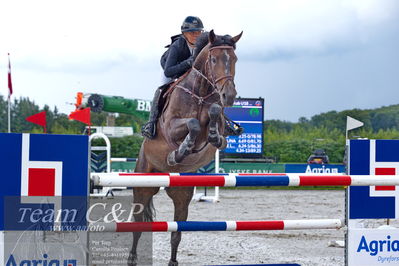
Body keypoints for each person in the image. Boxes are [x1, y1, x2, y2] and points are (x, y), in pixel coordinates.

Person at [141, 16, 243, 139]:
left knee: (215, 88)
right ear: (184, 34)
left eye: (198, 32)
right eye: (192, 32)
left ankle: (223, 122)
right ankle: (151, 124)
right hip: (173, 70)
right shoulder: (177, 46)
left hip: (194, 72)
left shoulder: (206, 41)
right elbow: (169, 71)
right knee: (161, 89)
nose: (196, 35)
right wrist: (189, 62)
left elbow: (219, 42)